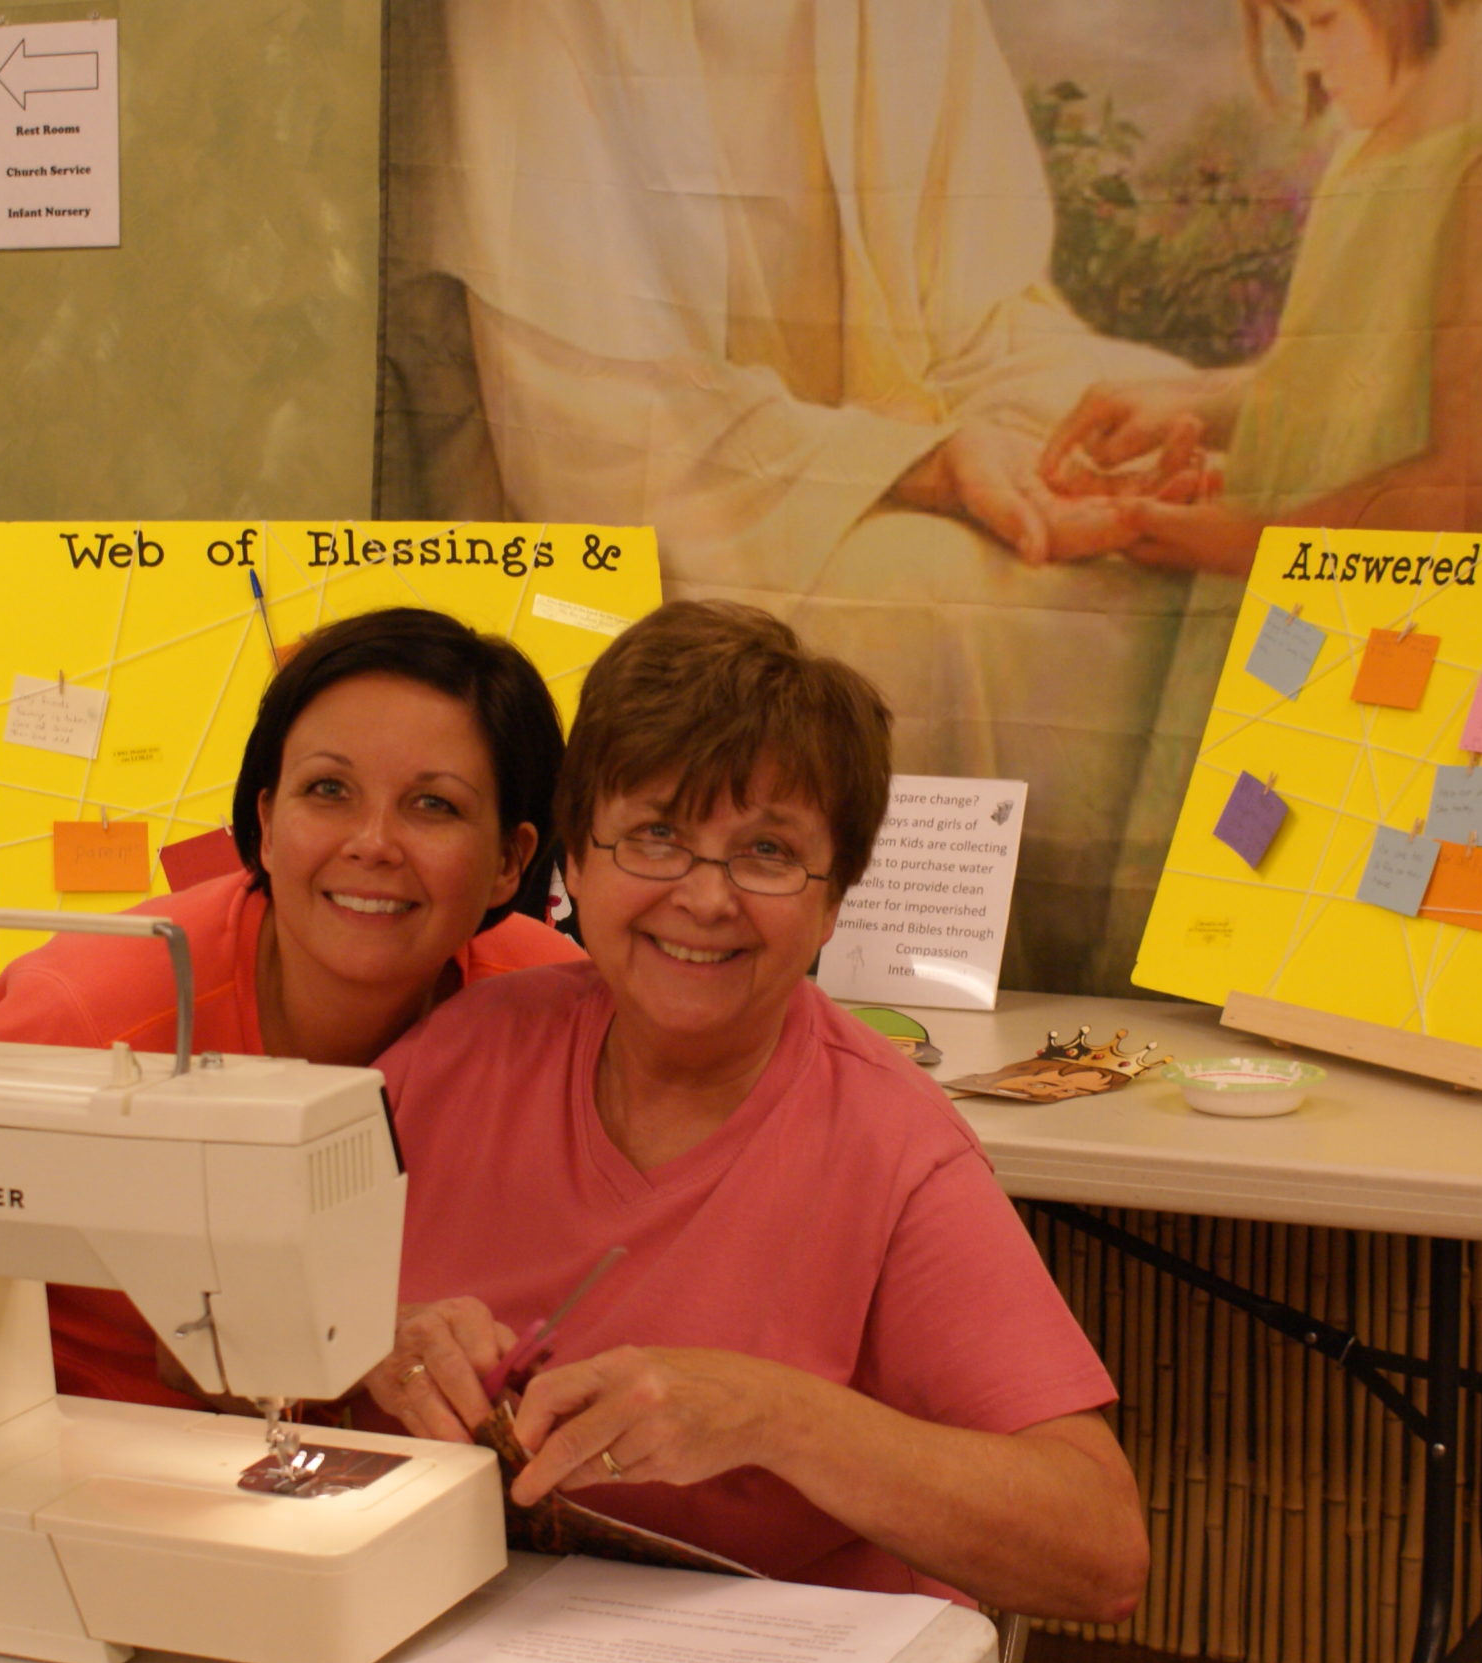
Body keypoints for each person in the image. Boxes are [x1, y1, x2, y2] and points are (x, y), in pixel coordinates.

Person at [381, 0, 1238, 992]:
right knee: (948, 603)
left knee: (1131, 563)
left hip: (848, 469)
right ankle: (897, 1010)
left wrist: (1073, 447)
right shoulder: (529, 24)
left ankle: (1124, 1012)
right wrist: (924, 461)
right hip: (661, 522)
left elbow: (981, 326)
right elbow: (594, 428)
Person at [359, 602, 1149, 1621]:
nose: (705, 896)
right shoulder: (460, 1054)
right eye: (655, 835)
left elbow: (1099, 1552)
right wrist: (366, 1340)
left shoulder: (890, 1145)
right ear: (575, 860)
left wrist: (775, 1417)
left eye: (767, 852)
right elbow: (204, 1340)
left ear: (831, 902)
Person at [0, 607, 582, 1410]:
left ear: (510, 861)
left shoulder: (556, 1012)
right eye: (328, 791)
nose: (374, 843)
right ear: (265, 823)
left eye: (434, 807)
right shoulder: (91, 1015)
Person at [1040, 0, 1482, 569]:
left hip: (1413, 589)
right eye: (1297, 27)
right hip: (1312, 562)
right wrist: (1186, 405)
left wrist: (1250, 545)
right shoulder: (1368, 149)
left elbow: (1469, 481)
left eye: (1323, 20)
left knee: (1351, 662)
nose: (1305, 58)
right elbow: (1353, 383)